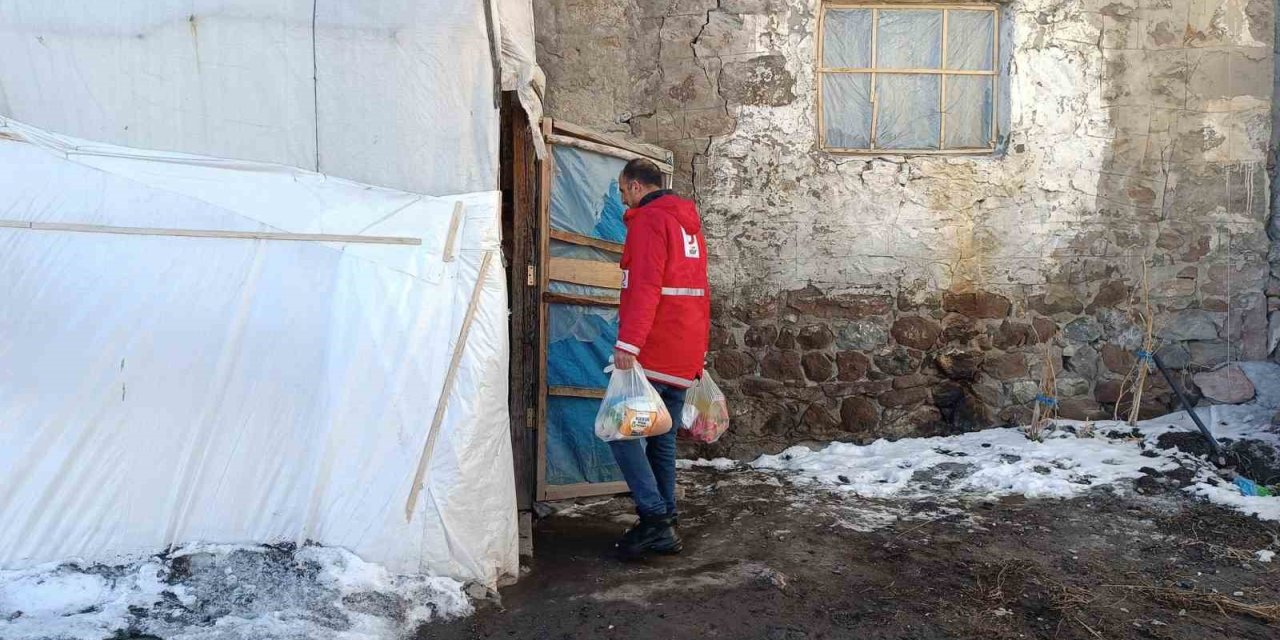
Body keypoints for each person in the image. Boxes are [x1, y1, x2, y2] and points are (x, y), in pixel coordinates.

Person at [609, 158, 710, 559]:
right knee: (661, 438)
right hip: (683, 348)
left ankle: (655, 519)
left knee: (619, 432)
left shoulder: (650, 221)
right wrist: (698, 352)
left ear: (636, 187)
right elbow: (698, 291)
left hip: (654, 348)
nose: (622, 200)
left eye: (621, 191)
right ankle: (664, 516)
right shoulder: (688, 225)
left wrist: (628, 344)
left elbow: (645, 287)